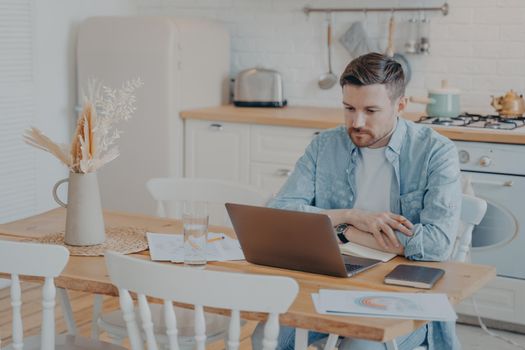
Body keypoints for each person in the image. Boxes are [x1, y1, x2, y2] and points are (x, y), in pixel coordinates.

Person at [251, 52, 462, 350]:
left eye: (371, 110)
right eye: (349, 108)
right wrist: (352, 214)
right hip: (330, 283)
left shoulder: (436, 152)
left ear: (400, 105)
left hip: (404, 296)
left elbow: (437, 243)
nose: (357, 122)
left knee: (359, 346)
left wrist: (345, 230)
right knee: (266, 336)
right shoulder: (325, 144)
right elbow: (280, 214)